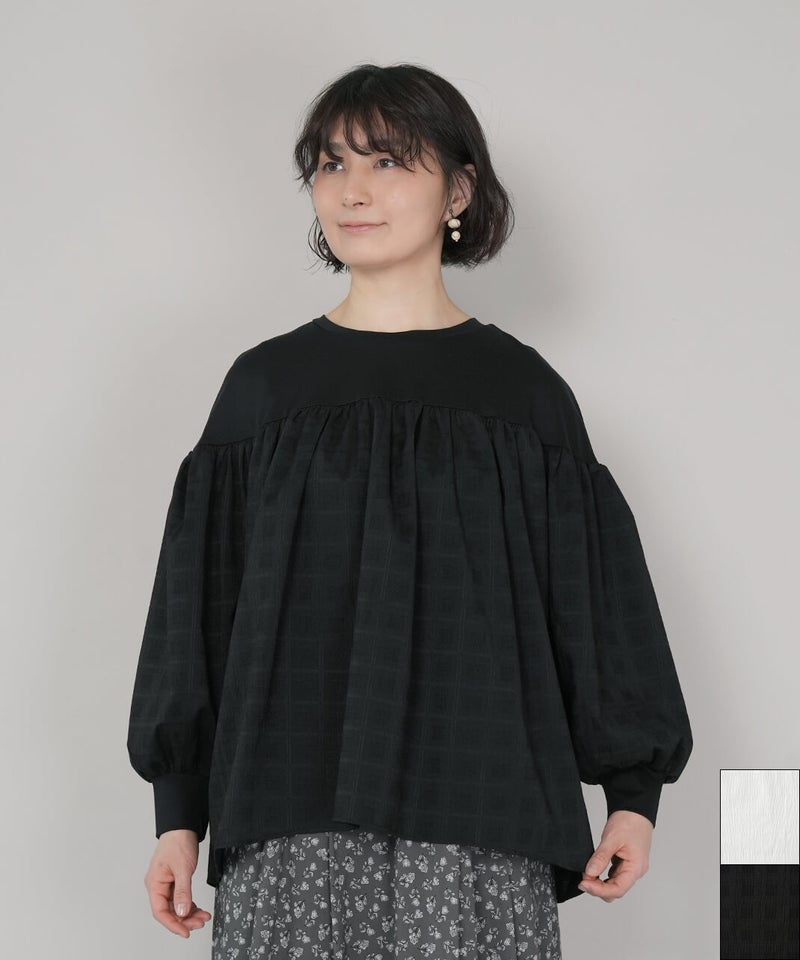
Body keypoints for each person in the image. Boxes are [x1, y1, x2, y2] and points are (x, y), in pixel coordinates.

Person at [126, 62, 693, 957]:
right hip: (288, 810)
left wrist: (634, 796)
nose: (352, 190)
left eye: (388, 162)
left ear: (458, 190)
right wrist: (178, 815)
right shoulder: (263, 390)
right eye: (331, 164)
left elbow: (595, 601)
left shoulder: (522, 395)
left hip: (480, 814)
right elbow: (197, 608)